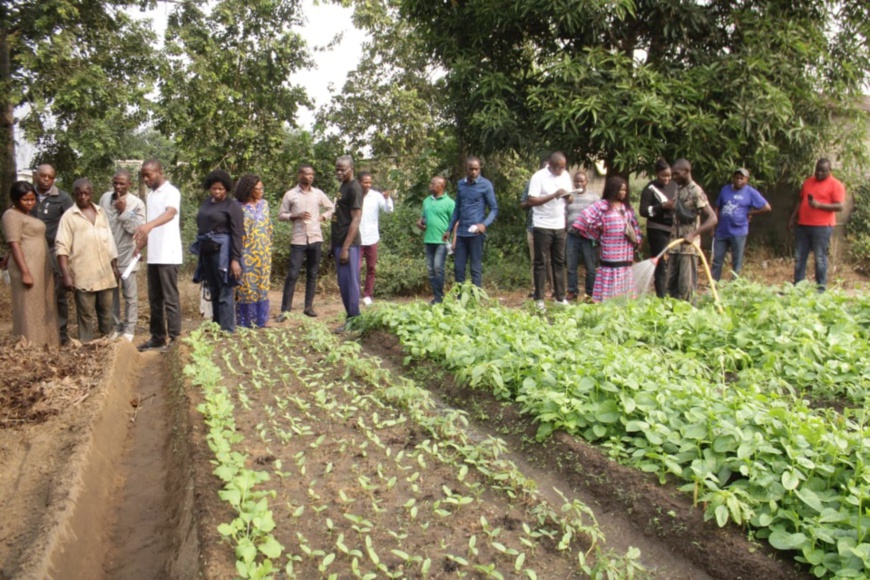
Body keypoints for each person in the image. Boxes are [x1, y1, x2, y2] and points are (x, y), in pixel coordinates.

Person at [55, 179, 120, 342]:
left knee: (107, 313)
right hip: (84, 274)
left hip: (105, 273)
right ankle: (86, 345)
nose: (83, 196)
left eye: (86, 193)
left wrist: (114, 266)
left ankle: (108, 345)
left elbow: (109, 240)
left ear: (91, 193)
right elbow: (61, 247)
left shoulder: (101, 212)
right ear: (74, 194)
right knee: (85, 315)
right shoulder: (69, 217)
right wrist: (66, 275)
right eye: (79, 194)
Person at [1, 181, 59, 346]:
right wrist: (25, 272)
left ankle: (47, 343)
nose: (30, 203)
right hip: (27, 266)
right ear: (15, 199)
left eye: (32, 199)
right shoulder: (11, 215)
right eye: (25, 199)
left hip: (40, 266)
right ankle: (32, 345)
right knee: (29, 307)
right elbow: (14, 243)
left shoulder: (27, 215)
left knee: (41, 305)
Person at [134, 159, 183, 351]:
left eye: (148, 175)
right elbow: (152, 228)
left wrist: (148, 225)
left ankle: (175, 338)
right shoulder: (151, 195)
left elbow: (170, 214)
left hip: (168, 254)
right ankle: (157, 337)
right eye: (143, 176)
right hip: (154, 255)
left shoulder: (171, 192)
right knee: (155, 299)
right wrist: (140, 246)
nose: (145, 179)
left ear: (160, 172)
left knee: (170, 298)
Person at [571, 176, 641, 302]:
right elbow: (583, 218)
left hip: (626, 250)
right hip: (610, 250)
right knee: (611, 272)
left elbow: (634, 225)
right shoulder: (602, 205)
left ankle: (624, 302)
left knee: (625, 272)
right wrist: (598, 227)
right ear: (612, 190)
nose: (623, 193)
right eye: (620, 190)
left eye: (625, 190)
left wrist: (638, 240)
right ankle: (607, 301)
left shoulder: (627, 207)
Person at [278, 164, 334, 318]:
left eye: (312, 174)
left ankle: (308, 307)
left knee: (312, 274)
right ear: (299, 176)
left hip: (315, 238)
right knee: (293, 274)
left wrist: (322, 217)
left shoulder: (318, 193)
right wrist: (295, 216)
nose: (310, 177)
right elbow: (281, 215)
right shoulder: (290, 194)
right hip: (298, 240)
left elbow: (332, 208)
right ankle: (285, 310)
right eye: (307, 174)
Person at [192, 170, 243, 332]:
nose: (217, 191)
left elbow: (237, 234)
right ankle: (217, 325)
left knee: (225, 291)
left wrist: (235, 259)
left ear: (226, 188)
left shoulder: (232, 206)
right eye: (214, 188)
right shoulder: (207, 202)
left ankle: (227, 329)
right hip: (207, 252)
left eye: (221, 188)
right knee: (213, 290)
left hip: (223, 254)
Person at [99, 169, 146, 341]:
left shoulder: (137, 203)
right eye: (115, 183)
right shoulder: (105, 198)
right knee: (111, 294)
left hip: (127, 255)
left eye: (122, 184)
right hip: (107, 255)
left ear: (129, 184)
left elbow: (137, 229)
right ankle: (116, 327)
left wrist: (123, 211)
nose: (118, 186)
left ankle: (129, 329)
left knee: (130, 295)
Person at [662, 159, 717, 302]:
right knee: (670, 287)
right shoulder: (678, 189)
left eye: (676, 174)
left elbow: (713, 218)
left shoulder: (696, 191)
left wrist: (693, 234)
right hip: (675, 247)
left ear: (686, 172)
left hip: (688, 248)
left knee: (686, 288)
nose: (673, 177)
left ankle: (689, 313)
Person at [30, 164, 74, 344]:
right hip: (31, 251)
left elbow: (71, 223)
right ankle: (37, 332)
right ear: (36, 176)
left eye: (50, 177)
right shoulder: (28, 195)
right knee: (34, 291)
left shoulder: (62, 198)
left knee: (58, 292)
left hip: (54, 250)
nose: (46, 180)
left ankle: (61, 333)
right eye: (43, 176)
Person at [788, 158, 845, 292]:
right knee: (799, 257)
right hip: (803, 225)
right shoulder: (808, 182)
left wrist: (819, 205)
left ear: (830, 170)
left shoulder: (836, 185)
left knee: (820, 258)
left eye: (823, 171)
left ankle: (820, 289)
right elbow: (800, 200)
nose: (819, 173)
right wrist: (792, 218)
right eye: (817, 170)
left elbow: (840, 206)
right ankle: (798, 287)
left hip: (822, 227)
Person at [525, 151, 572, 309]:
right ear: (550, 165)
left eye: (563, 167)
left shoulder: (565, 176)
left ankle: (560, 297)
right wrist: (553, 195)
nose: (561, 170)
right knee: (540, 262)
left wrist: (567, 196)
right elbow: (531, 200)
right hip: (542, 224)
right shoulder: (538, 177)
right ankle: (539, 299)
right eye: (558, 167)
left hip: (559, 224)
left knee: (559, 262)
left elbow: (571, 198)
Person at [444, 157, 498, 287]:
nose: (474, 172)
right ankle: (459, 296)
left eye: (476, 169)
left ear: (480, 169)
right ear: (466, 169)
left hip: (476, 234)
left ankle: (476, 296)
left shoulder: (485, 185)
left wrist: (484, 224)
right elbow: (457, 208)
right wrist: (449, 229)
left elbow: (494, 209)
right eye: (471, 169)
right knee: (458, 268)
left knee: (475, 267)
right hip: (461, 232)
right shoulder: (461, 184)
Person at [711, 168, 771, 281]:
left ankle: (734, 286)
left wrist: (750, 212)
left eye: (741, 178)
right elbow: (717, 208)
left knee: (737, 262)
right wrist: (712, 227)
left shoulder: (750, 192)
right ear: (733, 178)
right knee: (717, 260)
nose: (738, 180)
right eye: (736, 177)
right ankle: (713, 283)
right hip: (722, 231)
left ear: (746, 180)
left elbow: (767, 207)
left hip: (738, 232)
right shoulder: (725, 190)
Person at [235, 174, 272, 328]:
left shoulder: (264, 205)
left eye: (262, 188)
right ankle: (246, 321)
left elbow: (269, 227)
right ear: (249, 190)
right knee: (247, 287)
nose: (261, 191)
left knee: (262, 286)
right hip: (246, 253)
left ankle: (261, 321)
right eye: (257, 189)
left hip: (264, 252)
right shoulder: (239, 207)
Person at [639, 159, 678, 298]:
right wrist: (661, 207)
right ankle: (661, 295)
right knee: (660, 262)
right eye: (663, 176)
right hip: (657, 229)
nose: (667, 179)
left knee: (674, 261)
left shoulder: (674, 186)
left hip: (673, 229)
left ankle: (673, 292)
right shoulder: (650, 189)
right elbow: (643, 211)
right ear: (657, 173)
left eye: (669, 176)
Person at [333, 155, 364, 329]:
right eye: (337, 169)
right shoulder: (343, 186)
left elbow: (356, 219)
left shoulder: (354, 188)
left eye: (342, 169)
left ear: (351, 169)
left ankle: (354, 319)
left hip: (348, 244)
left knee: (350, 283)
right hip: (339, 241)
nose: (339, 172)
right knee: (343, 284)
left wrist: (345, 248)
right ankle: (351, 317)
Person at [416, 176, 455, 304]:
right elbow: (423, 218)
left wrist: (453, 238)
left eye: (434, 184)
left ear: (441, 186)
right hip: (429, 239)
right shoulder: (427, 201)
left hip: (442, 241)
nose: (430, 186)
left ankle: (439, 297)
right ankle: (437, 296)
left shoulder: (449, 203)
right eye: (430, 183)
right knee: (431, 270)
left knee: (438, 267)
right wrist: (420, 223)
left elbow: (455, 222)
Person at [358, 172, 394, 305]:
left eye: (369, 182)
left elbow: (388, 210)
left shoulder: (376, 196)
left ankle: (367, 295)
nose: (368, 185)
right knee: (356, 268)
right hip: (356, 238)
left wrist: (387, 198)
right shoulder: (354, 195)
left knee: (371, 268)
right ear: (359, 182)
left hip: (372, 237)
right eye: (365, 182)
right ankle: (355, 293)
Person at [564, 170, 600, 301]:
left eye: (581, 181)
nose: (579, 183)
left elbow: (599, 216)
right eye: (576, 181)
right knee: (571, 266)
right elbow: (564, 214)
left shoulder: (594, 197)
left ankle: (589, 293)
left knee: (590, 267)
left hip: (588, 237)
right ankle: (572, 291)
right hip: (572, 236)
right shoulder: (569, 197)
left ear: (586, 182)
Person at [519, 158, 551, 297]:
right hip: (533, 227)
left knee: (551, 260)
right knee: (536, 260)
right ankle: (536, 289)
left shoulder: (555, 185)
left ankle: (554, 289)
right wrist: (533, 202)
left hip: (551, 227)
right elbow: (522, 203)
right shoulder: (531, 183)